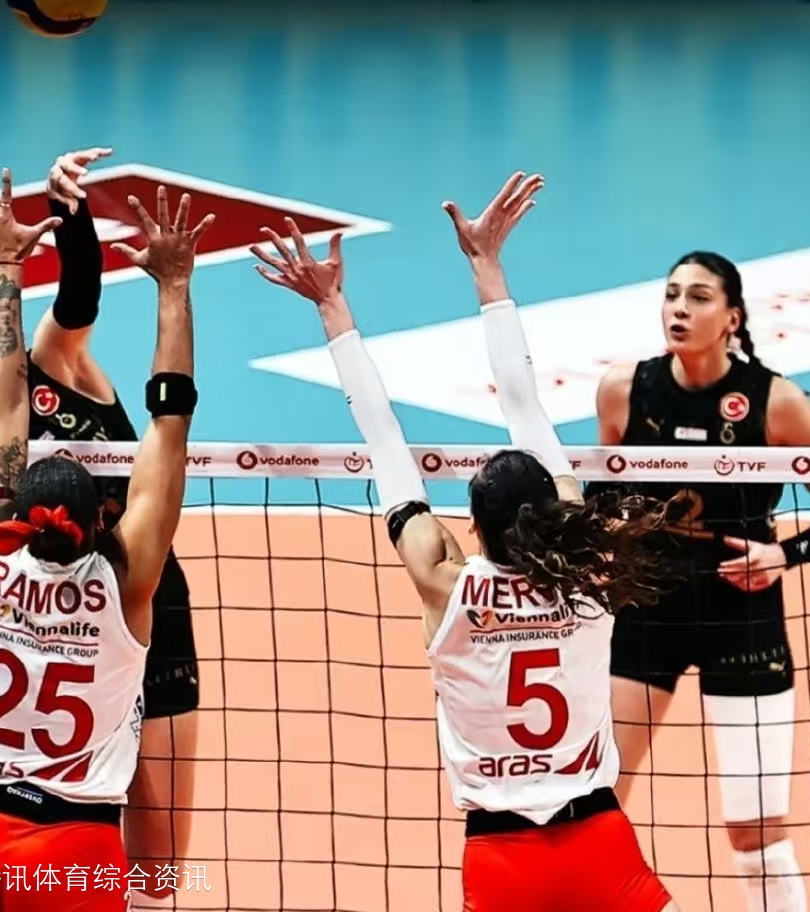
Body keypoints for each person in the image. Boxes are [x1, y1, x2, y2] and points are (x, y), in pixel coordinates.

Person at [250, 172, 681, 912]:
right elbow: (523, 402)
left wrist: (332, 308)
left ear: (471, 529)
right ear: (556, 509)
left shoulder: (444, 581)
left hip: (500, 857)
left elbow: (384, 438)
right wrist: (488, 267)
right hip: (598, 843)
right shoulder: (587, 571)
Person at [0, 148, 201, 896]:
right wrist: (47, 625)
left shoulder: (52, 363)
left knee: (159, 868)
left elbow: (79, 291)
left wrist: (68, 211)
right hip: (65, 644)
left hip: (146, 603)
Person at [591, 250, 810, 912]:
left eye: (699, 297)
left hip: (743, 614)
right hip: (649, 606)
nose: (680, 308)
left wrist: (782, 555)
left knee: (755, 833)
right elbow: (599, 495)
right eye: (672, 294)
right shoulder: (625, 391)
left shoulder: (776, 402)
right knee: (596, 800)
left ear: (731, 318)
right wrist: (601, 539)